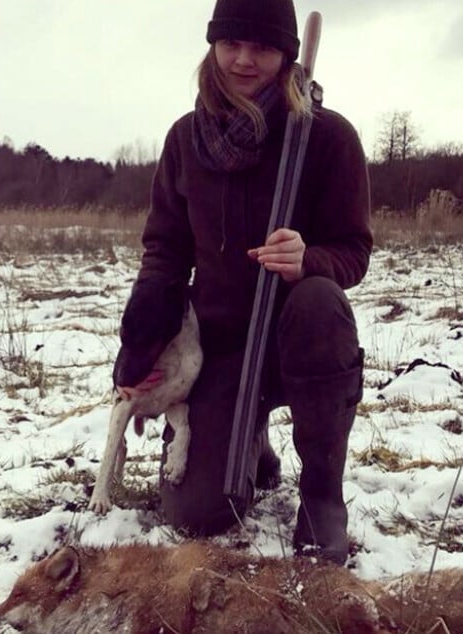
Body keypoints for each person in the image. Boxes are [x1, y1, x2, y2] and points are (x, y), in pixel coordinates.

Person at [112, 0, 371, 566]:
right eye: (231, 44)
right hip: (220, 346)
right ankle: (250, 446)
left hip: (301, 338)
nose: (245, 60)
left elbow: (355, 252)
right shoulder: (185, 140)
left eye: (262, 47)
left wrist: (310, 260)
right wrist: (140, 345)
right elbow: (164, 253)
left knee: (319, 300)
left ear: (287, 53)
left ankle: (322, 494)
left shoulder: (328, 138)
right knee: (197, 514)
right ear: (213, 46)